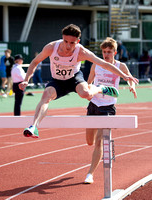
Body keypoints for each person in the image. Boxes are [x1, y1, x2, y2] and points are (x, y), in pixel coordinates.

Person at [19, 24, 138, 138]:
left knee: (85, 94)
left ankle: (101, 88)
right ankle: (34, 126)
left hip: (74, 78)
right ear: (62, 39)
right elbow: (35, 62)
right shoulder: (51, 47)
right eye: (65, 41)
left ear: (78, 42)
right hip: (58, 81)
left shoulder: (82, 52)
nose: (68, 46)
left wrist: (125, 76)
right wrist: (26, 79)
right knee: (46, 96)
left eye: (72, 43)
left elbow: (104, 64)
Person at [84, 37, 137, 184]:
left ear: (115, 52)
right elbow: (88, 82)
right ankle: (101, 141)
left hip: (108, 108)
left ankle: (90, 174)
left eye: (109, 52)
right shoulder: (96, 65)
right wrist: (87, 91)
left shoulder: (121, 66)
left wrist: (131, 86)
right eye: (104, 52)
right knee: (89, 141)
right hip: (94, 104)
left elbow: (129, 78)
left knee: (99, 142)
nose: (106, 55)